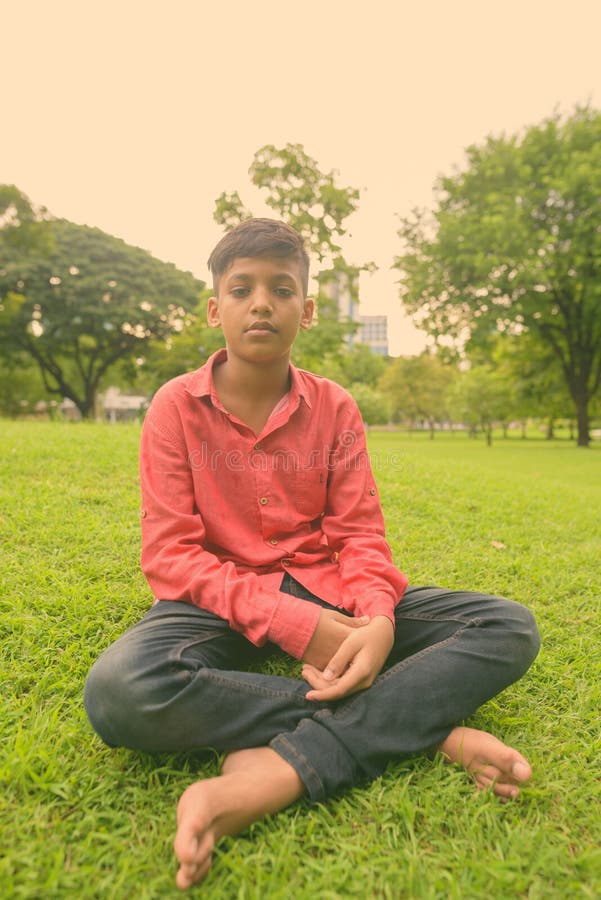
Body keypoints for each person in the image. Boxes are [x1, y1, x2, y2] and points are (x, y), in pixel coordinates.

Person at [84, 218, 540, 891]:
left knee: (507, 627)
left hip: (331, 588)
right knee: (120, 692)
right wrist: (298, 628)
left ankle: (279, 764)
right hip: (215, 602)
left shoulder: (335, 407)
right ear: (216, 309)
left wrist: (377, 619)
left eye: (281, 288)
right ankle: (429, 733)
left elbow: (359, 535)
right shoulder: (175, 409)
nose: (261, 302)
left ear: (308, 308)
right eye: (241, 289)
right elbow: (173, 555)